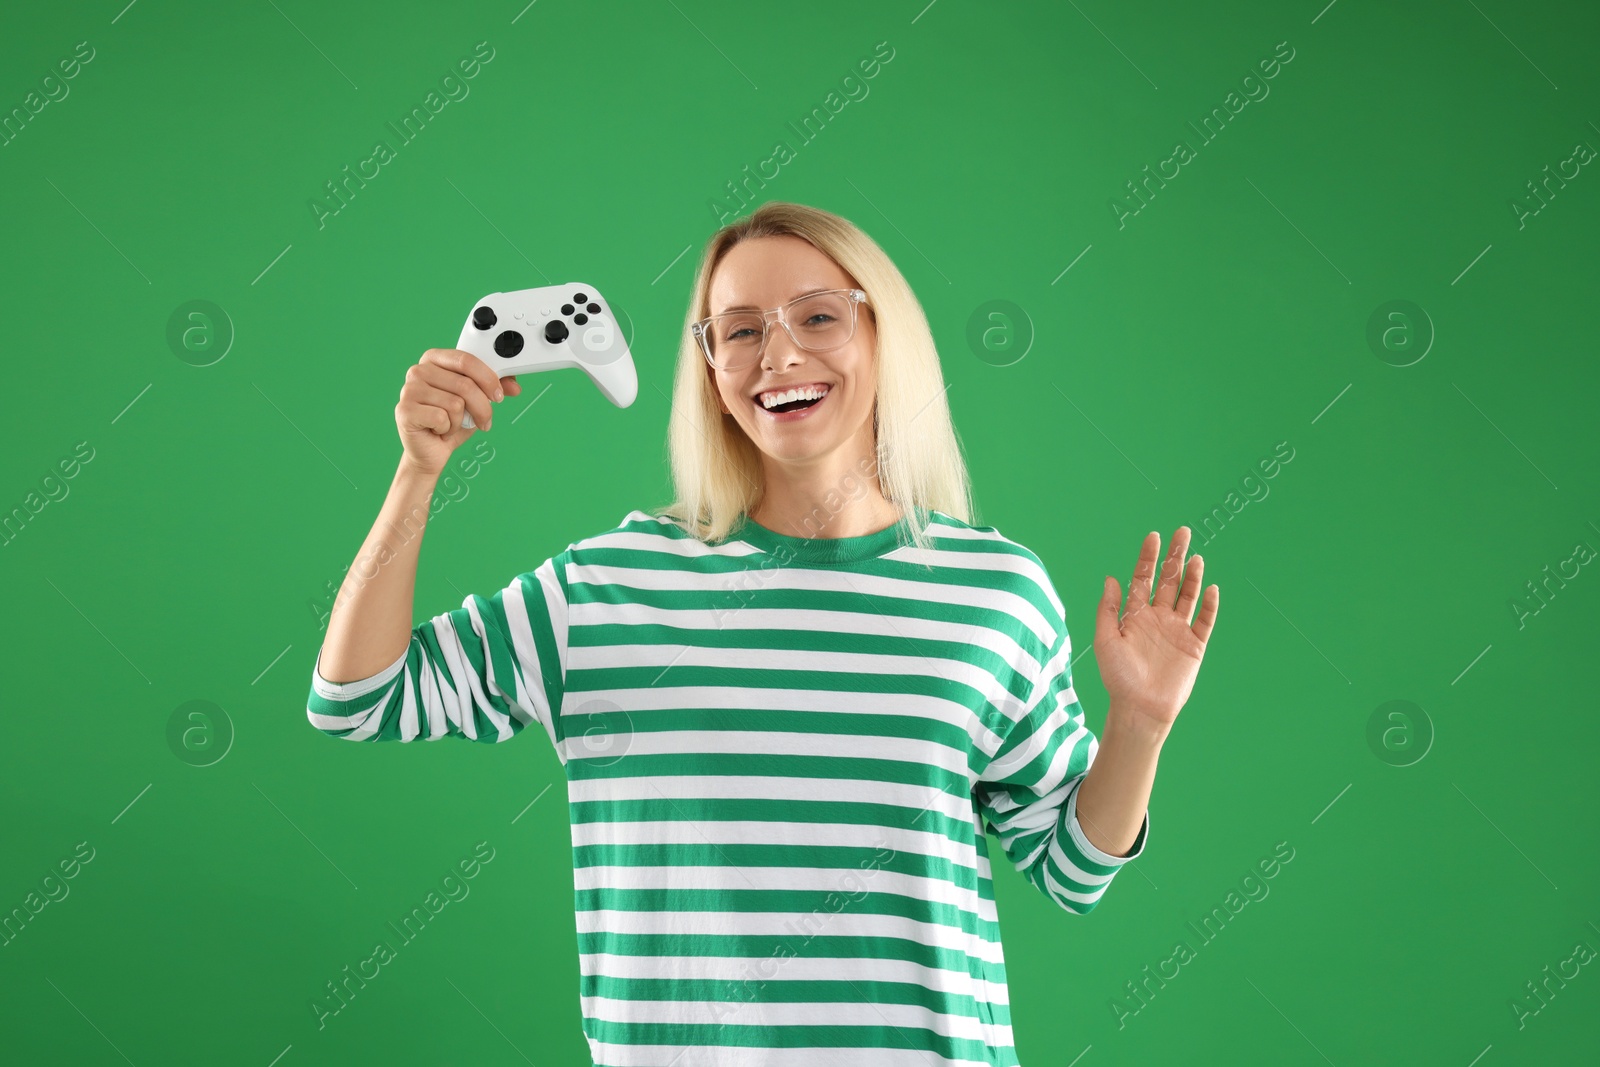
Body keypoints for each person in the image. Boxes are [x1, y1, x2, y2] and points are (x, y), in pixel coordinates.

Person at [306, 201, 1220, 1065]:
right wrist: (417, 474)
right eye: (740, 330)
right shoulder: (611, 584)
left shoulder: (993, 591)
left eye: (818, 317)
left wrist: (1139, 722)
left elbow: (1072, 869)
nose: (778, 356)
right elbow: (356, 696)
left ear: (881, 335)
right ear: (709, 368)